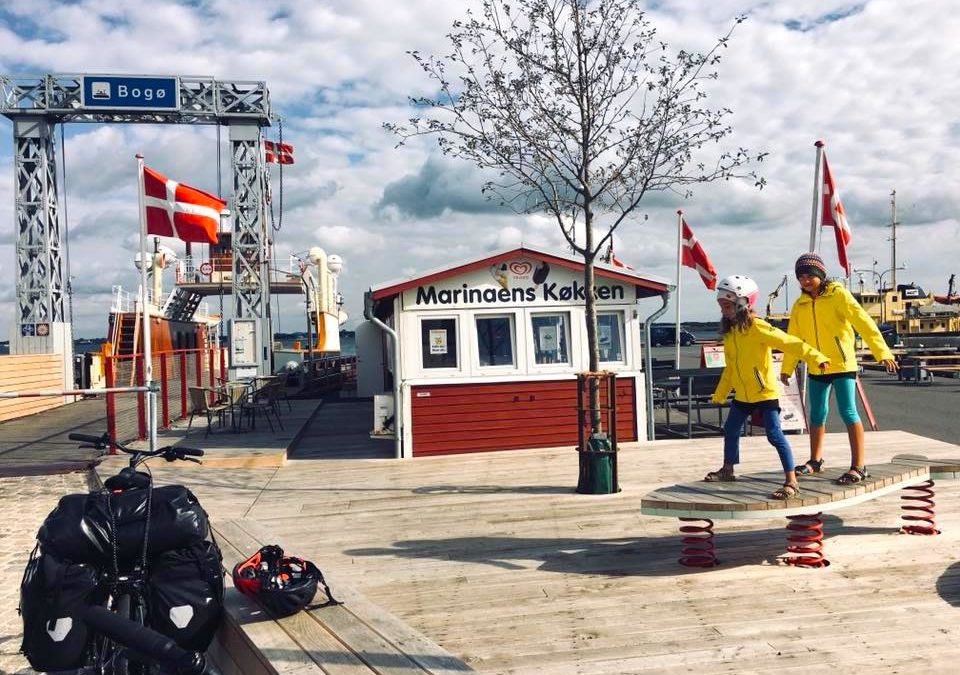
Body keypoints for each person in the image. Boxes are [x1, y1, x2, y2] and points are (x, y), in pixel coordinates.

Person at [705, 275, 830, 500]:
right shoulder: (732, 332)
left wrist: (816, 357)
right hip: (744, 395)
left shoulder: (758, 327)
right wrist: (720, 394)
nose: (723, 310)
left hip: (764, 393)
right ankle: (728, 469)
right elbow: (731, 368)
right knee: (731, 429)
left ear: (743, 303)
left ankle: (791, 481)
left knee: (774, 435)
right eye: (721, 306)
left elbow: (790, 342)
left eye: (727, 305)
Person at [780, 252, 898, 485]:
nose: (805, 280)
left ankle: (858, 466)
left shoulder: (838, 295)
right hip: (817, 366)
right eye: (801, 276)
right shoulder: (800, 304)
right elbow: (793, 338)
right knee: (817, 413)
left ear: (820, 275)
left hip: (842, 364)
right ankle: (815, 460)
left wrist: (882, 352)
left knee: (848, 412)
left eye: (810, 275)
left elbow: (863, 322)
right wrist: (787, 367)